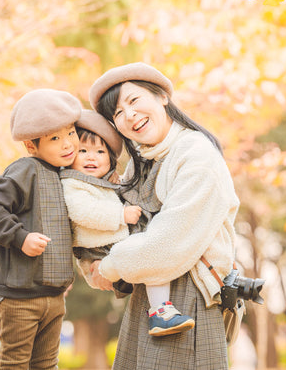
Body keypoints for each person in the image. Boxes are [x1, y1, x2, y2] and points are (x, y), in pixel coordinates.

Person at [85, 62, 240, 369]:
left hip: (188, 298)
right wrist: (91, 261)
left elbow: (169, 243)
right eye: (117, 113)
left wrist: (112, 266)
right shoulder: (141, 163)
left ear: (162, 97)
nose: (129, 115)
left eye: (133, 101)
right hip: (151, 297)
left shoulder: (196, 155)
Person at [60, 109, 195, 336]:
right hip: (98, 251)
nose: (91, 157)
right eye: (83, 151)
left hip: (113, 245)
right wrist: (120, 215)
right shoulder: (73, 184)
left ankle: (159, 308)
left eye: (100, 152)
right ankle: (160, 311)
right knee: (152, 258)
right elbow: (83, 212)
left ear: (110, 161)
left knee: (152, 258)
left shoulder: (103, 183)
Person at [0, 88, 82, 370]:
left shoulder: (67, 176)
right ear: (31, 146)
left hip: (54, 296)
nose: (67, 144)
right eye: (55, 138)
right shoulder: (26, 170)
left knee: (47, 365)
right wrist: (20, 238)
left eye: (71, 132)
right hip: (19, 297)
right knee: (15, 364)